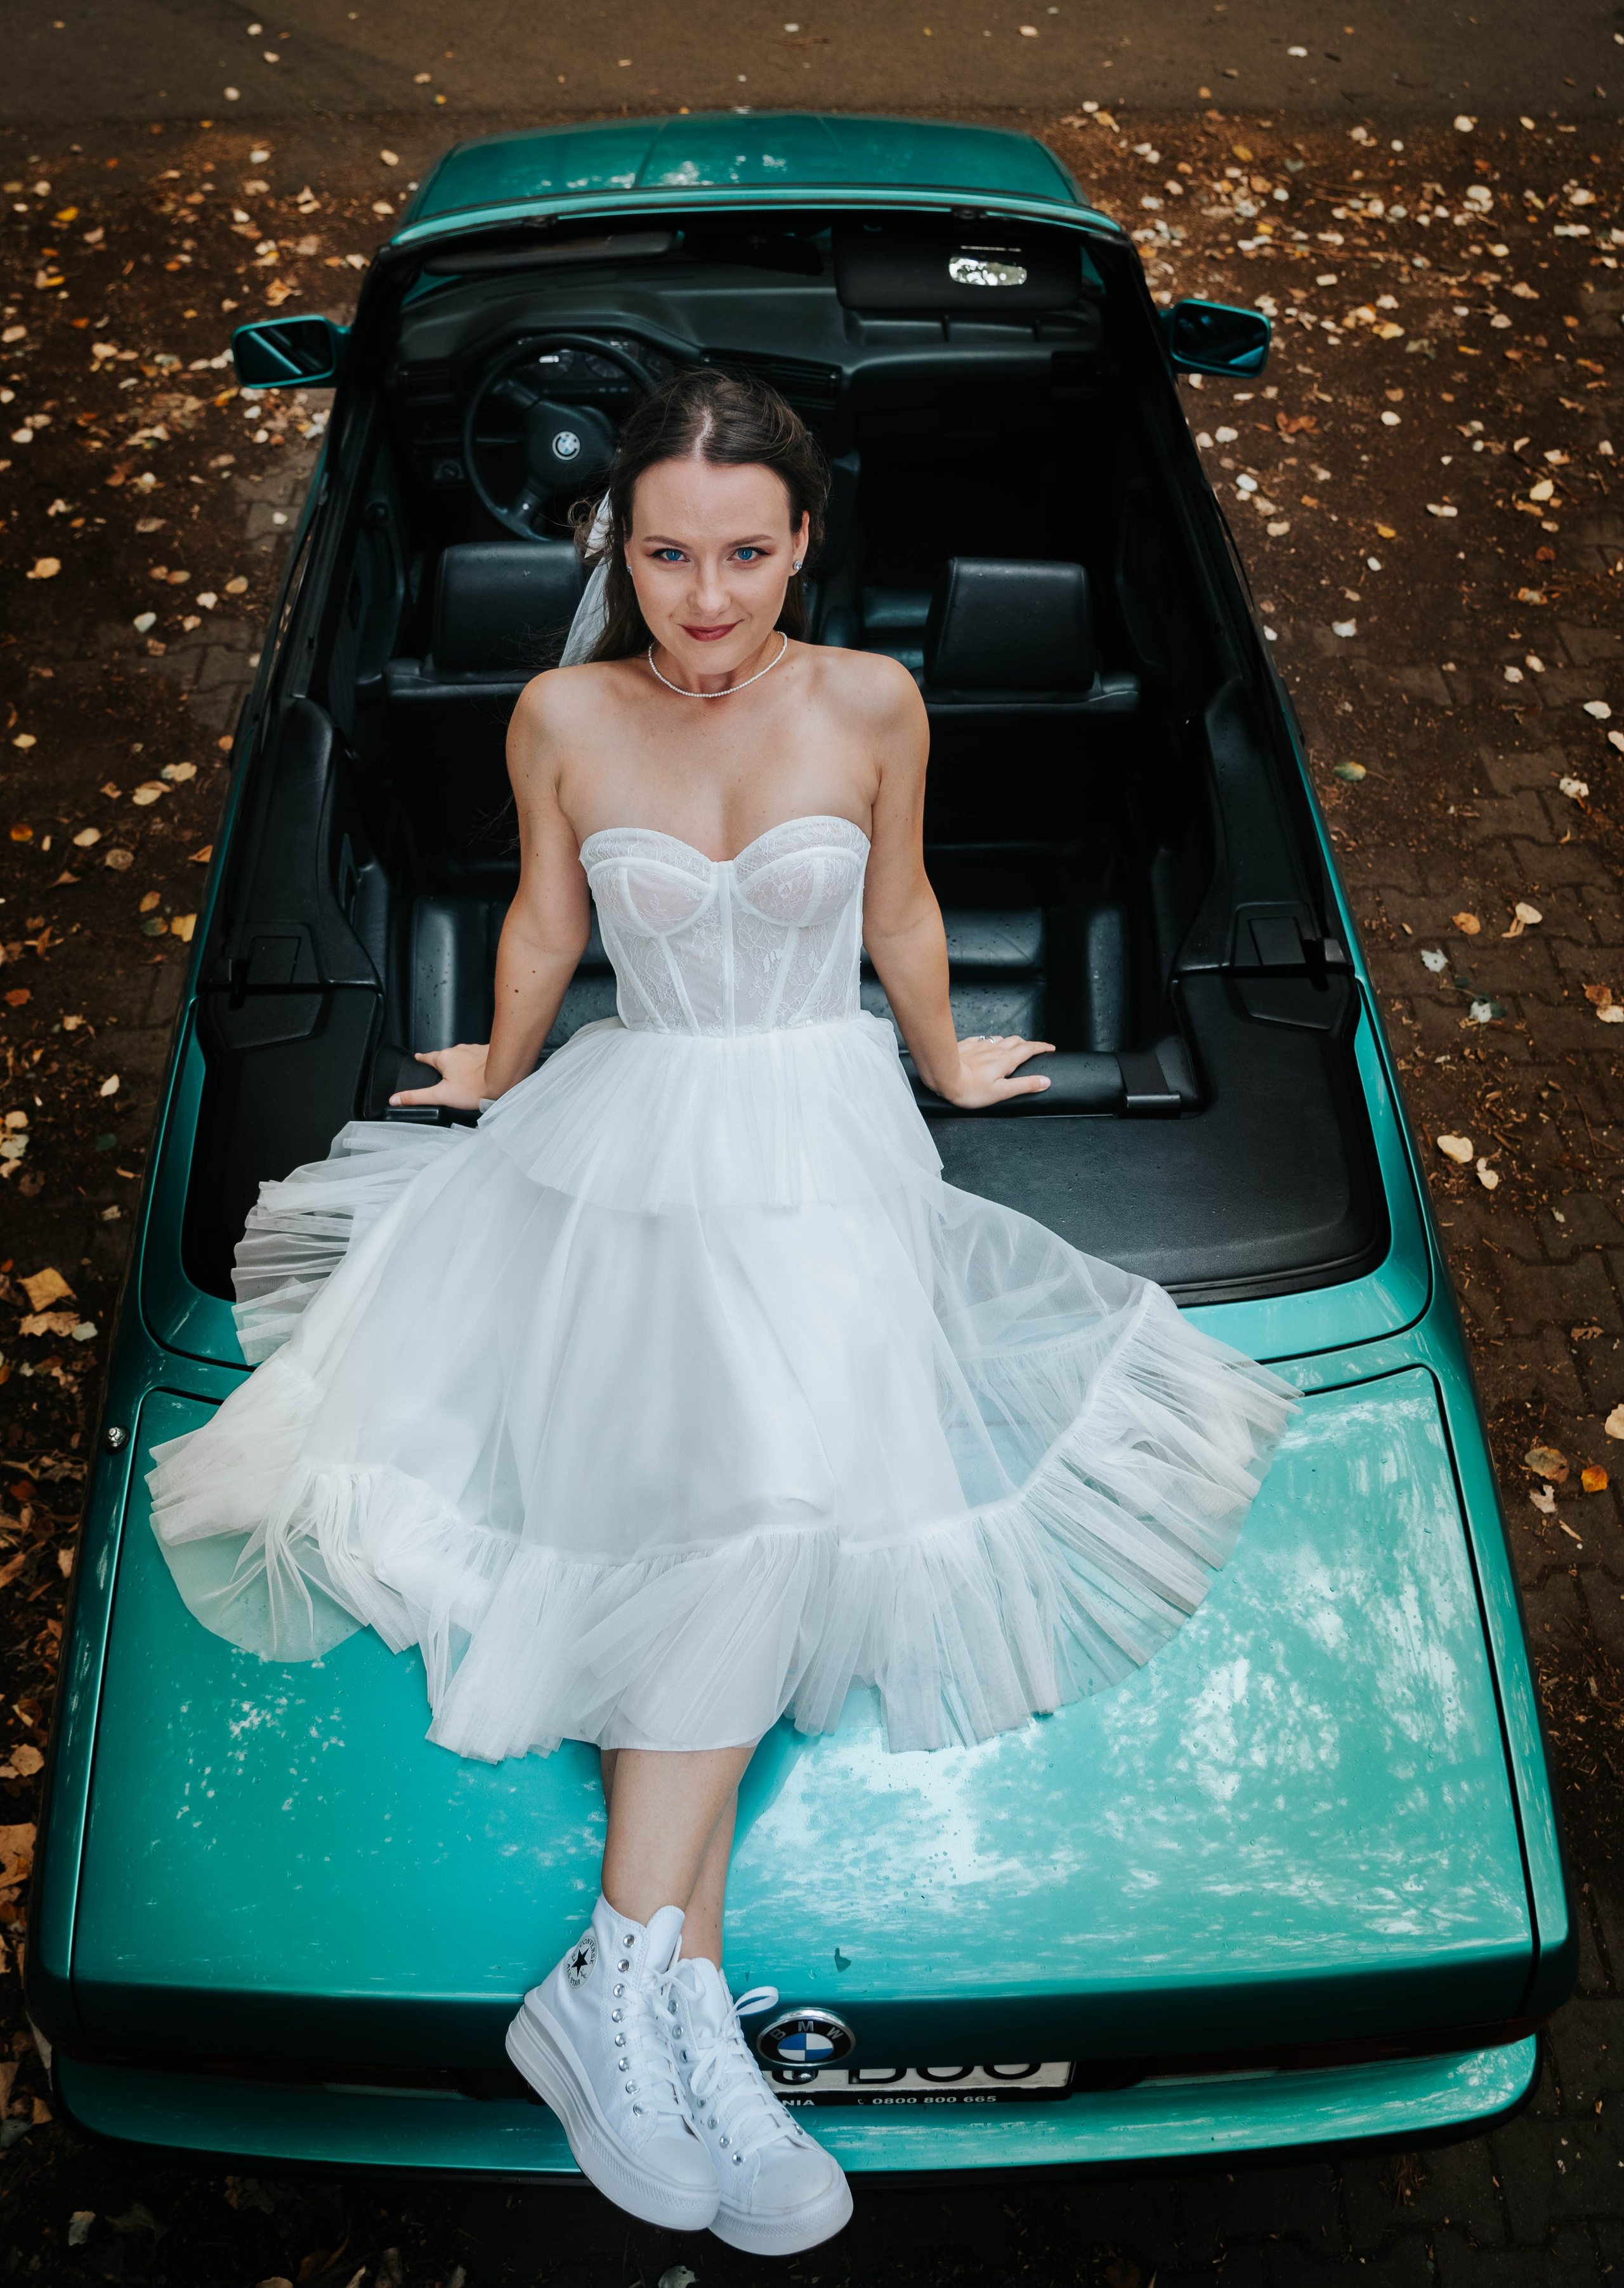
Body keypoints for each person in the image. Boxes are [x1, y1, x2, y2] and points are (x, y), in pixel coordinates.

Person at [148, 369, 1294, 2256]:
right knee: (750, 1510)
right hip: (638, 1134)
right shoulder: (559, 712)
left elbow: (906, 910)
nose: (704, 598)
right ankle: (657, 1990)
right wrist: (501, 1079)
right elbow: (540, 925)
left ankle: (630, 1985)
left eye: (744, 555)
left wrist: (953, 1064)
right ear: (625, 547)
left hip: (826, 1132)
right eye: (669, 554)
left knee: (765, 1501)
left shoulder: (873, 700)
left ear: (803, 547)